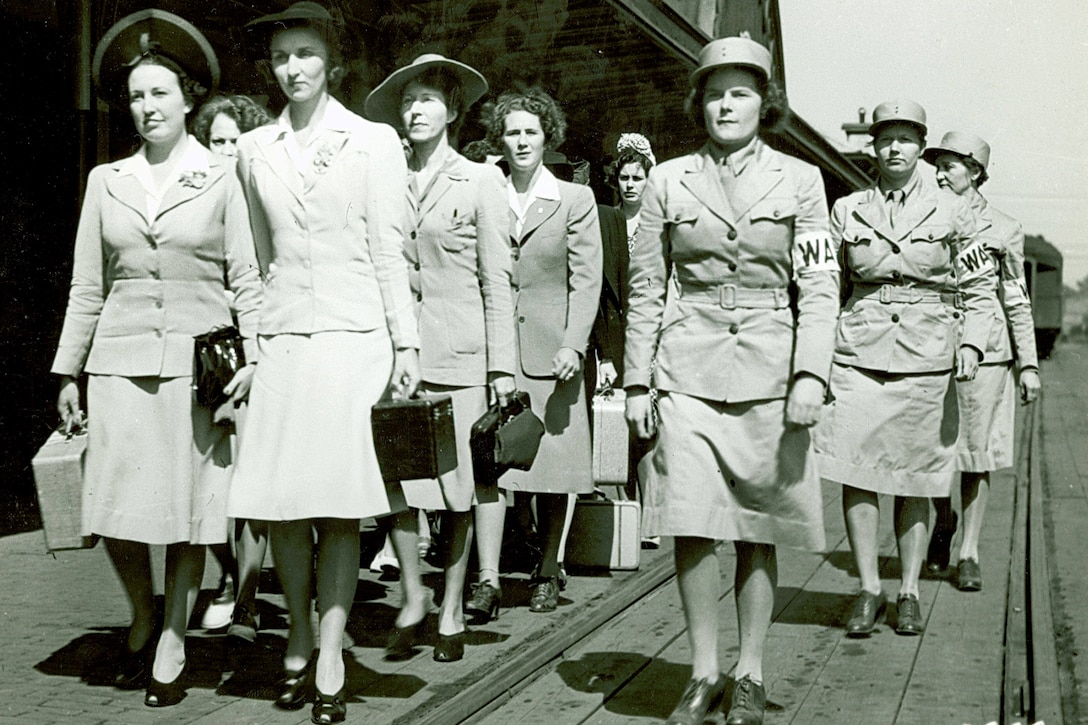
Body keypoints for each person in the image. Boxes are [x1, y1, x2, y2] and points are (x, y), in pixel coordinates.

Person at [624, 37, 838, 725]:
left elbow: (821, 284)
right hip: (685, 369)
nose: (726, 104)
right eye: (715, 92)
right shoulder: (666, 182)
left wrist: (810, 372)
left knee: (757, 526)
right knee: (690, 519)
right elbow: (647, 286)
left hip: (774, 371)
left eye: (740, 91)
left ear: (764, 102)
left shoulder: (803, 181)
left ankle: (749, 670)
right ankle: (702, 669)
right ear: (699, 102)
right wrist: (636, 384)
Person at [51, 9, 261, 707]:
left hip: (196, 369)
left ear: (188, 97)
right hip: (118, 360)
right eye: (136, 96)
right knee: (114, 506)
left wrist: (253, 359)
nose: (147, 108)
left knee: (187, 510)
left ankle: (173, 635)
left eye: (159, 93)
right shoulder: (105, 181)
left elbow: (245, 278)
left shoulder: (221, 177)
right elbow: (89, 283)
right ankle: (142, 611)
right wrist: (68, 370)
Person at [226, 4, 420, 724]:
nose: (293, 69)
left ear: (330, 61)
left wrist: (406, 346)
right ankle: (298, 637)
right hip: (284, 342)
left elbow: (387, 251)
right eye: (281, 57)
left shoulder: (371, 142)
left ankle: (332, 647)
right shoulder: (252, 149)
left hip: (353, 339)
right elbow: (251, 260)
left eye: (305, 54)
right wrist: (253, 344)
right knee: (282, 503)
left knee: (339, 506)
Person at [814, 101, 995, 640]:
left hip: (925, 353)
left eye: (905, 140)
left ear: (921, 146)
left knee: (915, 477)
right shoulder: (847, 211)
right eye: (884, 139)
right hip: (857, 354)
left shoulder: (953, 212)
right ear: (873, 147)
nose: (894, 149)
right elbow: (826, 287)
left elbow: (981, 288)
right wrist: (816, 359)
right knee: (856, 471)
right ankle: (869, 587)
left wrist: (973, 345)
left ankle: (910, 589)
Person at [364, 54, 516, 663]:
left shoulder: (480, 180)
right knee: (394, 483)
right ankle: (411, 592)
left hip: (460, 359)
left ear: (453, 111)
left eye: (427, 99)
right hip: (397, 359)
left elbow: (497, 282)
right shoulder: (385, 179)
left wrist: (501, 367)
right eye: (407, 101)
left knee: (458, 492)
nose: (416, 110)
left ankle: (451, 605)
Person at [476, 85, 602, 615]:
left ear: (547, 136)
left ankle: (548, 569)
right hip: (498, 351)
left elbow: (587, 279)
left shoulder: (575, 199)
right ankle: (490, 575)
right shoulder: (486, 193)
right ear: (499, 140)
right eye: (512, 132)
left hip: (555, 357)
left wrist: (575, 344)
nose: (522, 141)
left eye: (531, 131)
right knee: (495, 466)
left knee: (554, 470)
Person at [921, 131, 1041, 589]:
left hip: (988, 354)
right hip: (931, 347)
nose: (938, 173)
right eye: (937, 166)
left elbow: (1015, 298)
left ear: (974, 172)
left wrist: (1027, 364)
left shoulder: (1005, 228)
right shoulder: (926, 217)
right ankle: (943, 518)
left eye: (949, 166)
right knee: (932, 450)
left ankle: (968, 551)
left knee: (977, 453)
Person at [190, 92, 274, 640]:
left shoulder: (266, 201)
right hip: (212, 354)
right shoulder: (200, 200)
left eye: (234, 143)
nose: (225, 152)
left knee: (256, 477)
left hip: (261, 345)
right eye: (216, 141)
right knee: (211, 476)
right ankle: (226, 577)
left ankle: (244, 595)